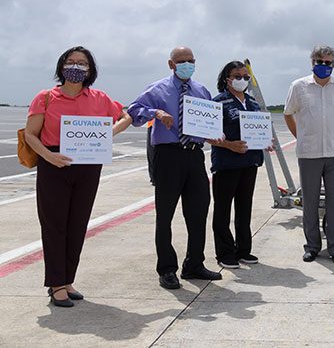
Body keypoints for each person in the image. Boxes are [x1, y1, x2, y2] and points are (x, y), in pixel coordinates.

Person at [24, 46, 131, 307]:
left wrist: (107, 134)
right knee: (54, 225)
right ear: (61, 67)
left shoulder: (100, 98)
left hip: (89, 166)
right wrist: (49, 157)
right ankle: (56, 284)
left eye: (82, 63)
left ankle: (68, 279)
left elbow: (125, 116)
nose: (76, 66)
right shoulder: (46, 97)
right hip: (54, 165)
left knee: (77, 225)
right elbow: (30, 134)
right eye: (71, 62)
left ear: (90, 70)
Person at [127, 47, 224, 290]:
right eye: (181, 61)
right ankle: (167, 268)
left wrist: (216, 133)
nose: (186, 65)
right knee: (165, 215)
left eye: (190, 61)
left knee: (199, 210)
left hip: (194, 155)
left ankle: (194, 264)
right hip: (168, 155)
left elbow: (210, 121)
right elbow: (134, 111)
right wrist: (156, 112)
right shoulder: (157, 89)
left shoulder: (202, 91)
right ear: (171, 64)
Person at [284, 45, 334, 265]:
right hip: (309, 153)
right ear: (312, 62)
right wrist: (300, 135)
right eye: (319, 61)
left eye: (328, 62)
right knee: (310, 202)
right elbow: (288, 114)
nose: (323, 65)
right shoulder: (299, 87)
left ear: (333, 65)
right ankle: (312, 246)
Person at [211, 61, 270, 269]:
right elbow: (209, 135)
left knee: (244, 208)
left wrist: (265, 142)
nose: (242, 80)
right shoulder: (218, 102)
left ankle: (243, 249)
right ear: (227, 79)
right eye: (237, 76)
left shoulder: (252, 103)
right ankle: (225, 253)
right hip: (227, 164)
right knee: (223, 210)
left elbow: (260, 130)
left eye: (245, 76)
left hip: (249, 163)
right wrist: (229, 145)